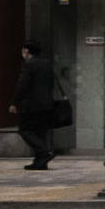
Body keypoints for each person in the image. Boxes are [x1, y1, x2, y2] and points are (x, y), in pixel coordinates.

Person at [9, 42, 66, 171]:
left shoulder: (28, 65)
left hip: (32, 104)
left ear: (26, 50)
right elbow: (51, 83)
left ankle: (45, 151)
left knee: (25, 129)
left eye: (23, 50)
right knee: (41, 132)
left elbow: (22, 85)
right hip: (47, 103)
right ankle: (40, 162)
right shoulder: (46, 64)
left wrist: (14, 103)